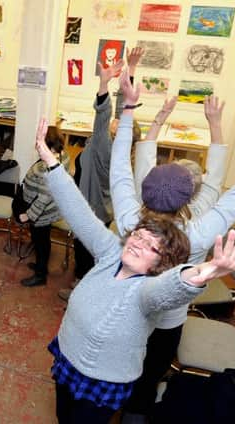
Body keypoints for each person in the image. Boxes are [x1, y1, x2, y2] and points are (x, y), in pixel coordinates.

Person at [34, 116, 235, 424]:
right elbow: (78, 211)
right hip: (68, 359)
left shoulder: (147, 292)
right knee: (62, 416)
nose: (138, 243)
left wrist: (207, 272)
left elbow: (172, 287)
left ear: (160, 264)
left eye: (151, 246)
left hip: (103, 380)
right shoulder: (111, 252)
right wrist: (49, 159)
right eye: (138, 234)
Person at [111, 68, 235, 422]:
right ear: (189, 196)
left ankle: (117, 397)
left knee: (126, 361)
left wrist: (137, 112)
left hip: (130, 313)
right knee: (150, 373)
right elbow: (233, 191)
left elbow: (126, 167)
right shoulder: (198, 230)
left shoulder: (129, 219)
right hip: (168, 322)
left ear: (145, 187)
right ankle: (136, 412)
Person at [59, 47, 143, 302]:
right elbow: (121, 108)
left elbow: (104, 112)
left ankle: (80, 288)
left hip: (91, 207)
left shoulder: (103, 146)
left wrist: (103, 83)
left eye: (119, 124)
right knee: (95, 247)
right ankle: (87, 278)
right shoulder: (120, 151)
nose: (117, 121)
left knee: (85, 249)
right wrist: (132, 68)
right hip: (104, 209)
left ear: (118, 136)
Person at [17, 126, 70, 287]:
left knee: (41, 242)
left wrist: (28, 215)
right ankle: (41, 265)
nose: (37, 146)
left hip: (41, 213)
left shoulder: (45, 168)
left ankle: (40, 275)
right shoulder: (63, 156)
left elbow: (43, 198)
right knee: (43, 240)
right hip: (53, 208)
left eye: (40, 144)